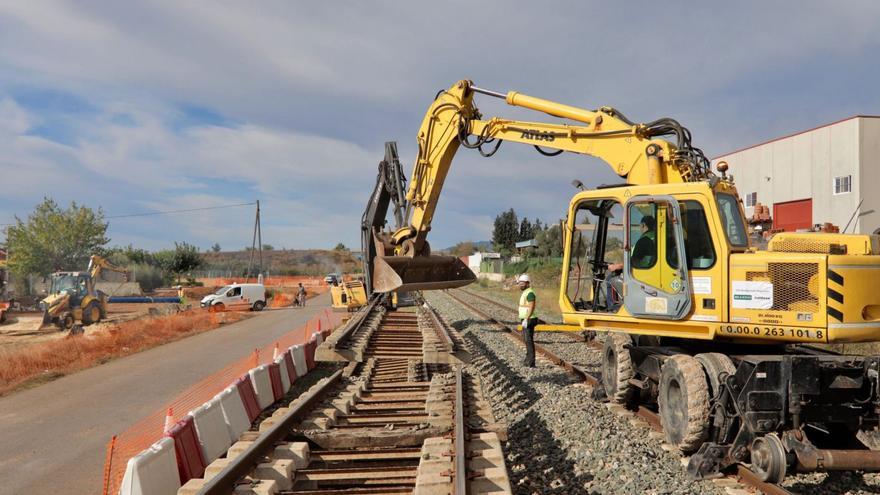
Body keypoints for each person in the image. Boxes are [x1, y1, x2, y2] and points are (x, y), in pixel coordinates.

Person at [606, 215, 657, 307]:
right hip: (651, 271)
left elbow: (633, 261)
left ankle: (612, 307)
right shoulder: (656, 237)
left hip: (641, 273)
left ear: (643, 225)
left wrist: (616, 266)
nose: (640, 229)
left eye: (640, 226)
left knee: (610, 278)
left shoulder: (644, 240)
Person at [516, 274, 538, 368]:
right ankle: (528, 360)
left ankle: (530, 362)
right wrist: (518, 280)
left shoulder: (530, 293)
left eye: (522, 283)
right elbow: (520, 284)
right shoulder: (526, 291)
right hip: (527, 318)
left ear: (527, 283)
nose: (520, 284)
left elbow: (531, 306)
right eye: (519, 283)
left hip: (529, 319)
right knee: (526, 339)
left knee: (528, 340)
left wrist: (526, 318)